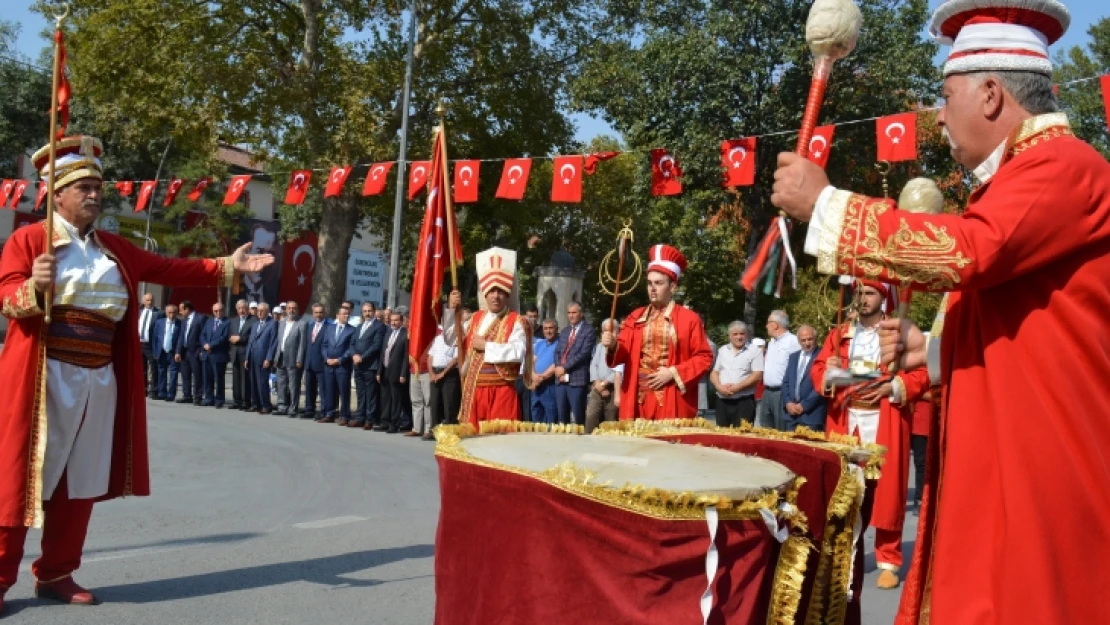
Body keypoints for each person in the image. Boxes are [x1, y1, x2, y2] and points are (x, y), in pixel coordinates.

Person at [772, 1, 1110, 621]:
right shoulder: (1021, 179)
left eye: (944, 95)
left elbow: (968, 252)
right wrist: (932, 349)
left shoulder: (1061, 165)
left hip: (1045, 463)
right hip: (1014, 453)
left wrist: (827, 204)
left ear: (988, 94)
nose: (937, 115)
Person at [0, 134, 272, 611]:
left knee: (79, 479)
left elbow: (170, 268)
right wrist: (33, 287)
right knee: (21, 479)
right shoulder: (30, 240)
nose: (93, 194)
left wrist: (228, 267)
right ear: (57, 194)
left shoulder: (116, 249)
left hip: (98, 378)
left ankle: (57, 572)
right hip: (46, 376)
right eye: (82, 186)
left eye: (97, 187)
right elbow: (7, 297)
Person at [810, 281, 928, 590]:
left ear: (883, 297)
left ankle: (888, 559)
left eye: (870, 293)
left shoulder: (898, 334)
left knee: (885, 492)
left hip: (884, 421)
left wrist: (895, 387)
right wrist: (828, 372)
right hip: (846, 422)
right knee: (847, 491)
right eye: (859, 293)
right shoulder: (839, 335)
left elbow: (922, 373)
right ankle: (844, 555)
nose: (862, 299)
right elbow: (819, 369)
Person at [601, 244, 712, 420]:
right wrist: (613, 344)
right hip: (638, 398)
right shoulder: (635, 317)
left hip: (671, 395)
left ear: (673, 287)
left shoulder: (690, 319)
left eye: (659, 283)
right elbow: (623, 352)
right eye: (649, 283)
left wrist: (673, 373)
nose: (652, 288)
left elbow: (704, 357)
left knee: (668, 444)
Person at [444, 248, 531, 427]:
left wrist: (487, 345)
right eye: (492, 291)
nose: (496, 296)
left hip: (501, 392)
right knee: (473, 444)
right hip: (474, 392)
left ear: (507, 295)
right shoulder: (475, 317)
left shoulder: (516, 321)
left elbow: (518, 351)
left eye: (500, 292)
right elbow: (451, 338)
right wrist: (451, 310)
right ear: (486, 294)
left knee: (500, 444)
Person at [709, 321, 763, 427]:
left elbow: (757, 375)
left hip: (744, 401)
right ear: (729, 336)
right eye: (735, 334)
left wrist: (737, 387)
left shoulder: (754, 351)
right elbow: (714, 372)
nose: (739, 337)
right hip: (722, 400)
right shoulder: (723, 350)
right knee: (722, 435)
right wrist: (719, 387)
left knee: (742, 437)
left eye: (742, 334)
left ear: (746, 334)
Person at [755, 310, 800, 430]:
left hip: (782, 393)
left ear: (775, 325)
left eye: (768, 323)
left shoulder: (793, 341)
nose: (766, 326)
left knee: (781, 430)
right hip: (767, 392)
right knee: (765, 428)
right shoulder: (772, 342)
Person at [553, 302, 595, 425]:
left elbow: (584, 354)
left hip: (576, 380)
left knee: (578, 418)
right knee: (562, 418)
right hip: (560, 380)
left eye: (574, 313)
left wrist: (564, 367)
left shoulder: (589, 331)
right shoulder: (565, 331)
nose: (571, 316)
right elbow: (557, 352)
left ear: (581, 314)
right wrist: (558, 368)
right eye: (569, 313)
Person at [780, 324, 825, 431]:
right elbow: (786, 382)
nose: (807, 343)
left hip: (812, 415)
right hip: (791, 415)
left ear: (816, 338)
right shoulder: (793, 357)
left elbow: (821, 385)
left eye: (810, 339)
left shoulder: (823, 356)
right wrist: (788, 403)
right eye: (803, 340)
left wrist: (804, 405)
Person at [585, 318, 623, 433]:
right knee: (590, 418)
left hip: (612, 389)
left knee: (610, 423)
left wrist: (604, 384)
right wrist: (597, 383)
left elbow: (618, 370)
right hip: (597, 388)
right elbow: (593, 365)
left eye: (612, 331)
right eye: (605, 331)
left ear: (618, 332)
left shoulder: (621, 348)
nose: (608, 334)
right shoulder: (599, 346)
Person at [351, 302, 385, 429]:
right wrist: (354, 355)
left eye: (369, 311)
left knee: (370, 394)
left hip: (370, 365)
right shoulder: (359, 326)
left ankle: (369, 419)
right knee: (360, 393)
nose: (367, 313)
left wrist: (362, 357)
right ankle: (360, 417)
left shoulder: (379, 326)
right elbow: (352, 343)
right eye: (365, 311)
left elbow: (376, 346)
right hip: (357, 364)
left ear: (374, 311)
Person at [322, 306, 356, 424]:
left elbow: (350, 348)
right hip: (329, 365)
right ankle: (329, 413)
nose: (346, 316)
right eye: (344, 314)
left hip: (343, 366)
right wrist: (326, 358)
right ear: (337, 315)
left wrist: (339, 360)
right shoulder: (330, 328)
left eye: (348, 314)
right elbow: (324, 345)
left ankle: (345, 415)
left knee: (344, 391)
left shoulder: (352, 330)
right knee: (329, 390)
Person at [273, 301, 308, 416]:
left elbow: (302, 344)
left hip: (293, 358)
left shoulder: (302, 324)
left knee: (293, 384)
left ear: (297, 310)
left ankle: (293, 408)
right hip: (281, 356)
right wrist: (275, 357)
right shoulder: (282, 323)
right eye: (289, 308)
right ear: (286, 310)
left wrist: (299, 359)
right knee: (281, 383)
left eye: (294, 308)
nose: (291, 310)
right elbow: (279, 341)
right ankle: (282, 406)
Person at [378, 311, 409, 432]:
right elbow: (383, 352)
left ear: (401, 321)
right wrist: (379, 371)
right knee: (385, 397)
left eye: (396, 320)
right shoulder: (388, 333)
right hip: (385, 370)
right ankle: (384, 421)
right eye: (392, 320)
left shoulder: (405, 334)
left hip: (396, 371)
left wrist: (403, 373)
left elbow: (406, 356)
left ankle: (394, 423)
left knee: (396, 399)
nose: (393, 322)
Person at [426, 326, 460, 437]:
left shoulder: (456, 339)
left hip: (449, 373)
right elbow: (430, 356)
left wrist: (443, 373)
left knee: (449, 402)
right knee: (434, 402)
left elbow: (456, 359)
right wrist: (431, 373)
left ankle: (449, 431)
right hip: (435, 371)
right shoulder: (438, 339)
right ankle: (434, 430)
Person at [244, 302, 277, 414]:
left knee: (262, 382)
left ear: (268, 312)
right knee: (253, 381)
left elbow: (273, 343)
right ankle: (255, 404)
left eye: (262, 310)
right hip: (253, 356)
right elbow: (250, 341)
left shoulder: (272, 324)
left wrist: (269, 358)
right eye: (258, 310)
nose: (260, 312)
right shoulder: (255, 324)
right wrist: (247, 357)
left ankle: (266, 405)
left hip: (263, 357)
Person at [175, 301, 208, 405]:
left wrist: (202, 350)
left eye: (181, 309)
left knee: (197, 374)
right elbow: (181, 336)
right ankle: (187, 395)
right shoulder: (184, 320)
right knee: (185, 374)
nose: (180, 312)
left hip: (195, 351)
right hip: (185, 351)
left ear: (187, 309)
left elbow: (204, 335)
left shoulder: (200, 318)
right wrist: (178, 351)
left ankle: (198, 396)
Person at [199, 301, 230, 408]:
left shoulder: (227, 322)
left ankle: (219, 399)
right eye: (215, 311)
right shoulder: (209, 321)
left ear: (223, 311)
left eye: (220, 310)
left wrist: (211, 345)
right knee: (207, 378)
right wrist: (205, 345)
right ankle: (209, 398)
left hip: (218, 354)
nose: (218, 313)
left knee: (219, 378)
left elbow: (224, 337)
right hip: (207, 354)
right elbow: (203, 334)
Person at [302, 304, 330, 420]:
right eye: (316, 312)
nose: (318, 315)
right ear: (313, 313)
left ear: (324, 313)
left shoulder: (329, 327)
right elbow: (306, 345)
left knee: (323, 390)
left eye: (321, 312)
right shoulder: (309, 326)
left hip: (321, 363)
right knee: (309, 388)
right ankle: (309, 409)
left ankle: (323, 411)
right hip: (309, 362)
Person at [228, 299, 256, 410]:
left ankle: (246, 401)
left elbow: (252, 337)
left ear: (247, 309)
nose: (241, 310)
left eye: (243, 308)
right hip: (235, 352)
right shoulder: (234, 321)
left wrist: (241, 338)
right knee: (236, 378)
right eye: (239, 308)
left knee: (245, 379)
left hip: (245, 352)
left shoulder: (253, 321)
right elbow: (230, 334)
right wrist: (231, 339)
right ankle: (237, 400)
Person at [530, 318, 560, 424]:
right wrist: (533, 376)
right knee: (536, 417)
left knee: (551, 419)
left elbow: (556, 364)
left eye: (551, 328)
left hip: (550, 386)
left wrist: (541, 378)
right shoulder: (539, 344)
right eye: (545, 328)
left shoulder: (560, 344)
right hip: (536, 387)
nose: (548, 331)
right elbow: (532, 361)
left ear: (557, 329)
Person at [151, 303, 181, 401]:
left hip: (173, 352)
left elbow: (180, 340)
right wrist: (155, 352)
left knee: (173, 373)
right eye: (169, 313)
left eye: (174, 313)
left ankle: (171, 394)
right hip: (162, 351)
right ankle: (161, 392)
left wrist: (178, 352)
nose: (172, 315)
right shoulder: (160, 322)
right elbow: (155, 338)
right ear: (166, 313)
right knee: (161, 372)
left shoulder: (180, 324)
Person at [136, 291, 160, 397]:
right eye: (147, 300)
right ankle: (143, 389)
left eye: (151, 300)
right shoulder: (138, 312)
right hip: (139, 343)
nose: (149, 302)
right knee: (142, 367)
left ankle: (154, 390)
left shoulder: (158, 313)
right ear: (143, 301)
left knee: (153, 366)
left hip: (151, 344)